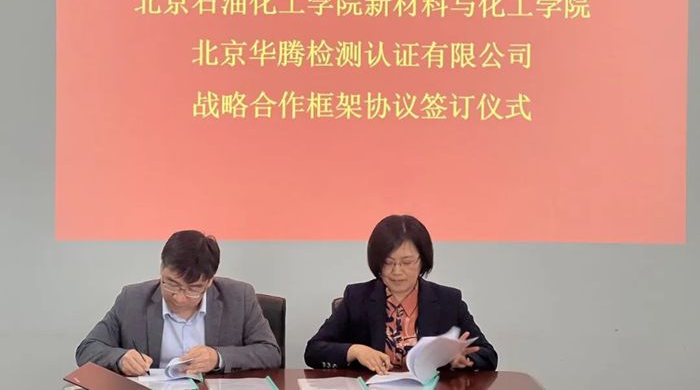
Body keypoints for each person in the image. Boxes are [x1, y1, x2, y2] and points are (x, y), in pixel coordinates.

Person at [305, 215, 497, 373]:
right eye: (388, 262)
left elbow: (488, 354)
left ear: (423, 261)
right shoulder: (357, 297)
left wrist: (464, 360)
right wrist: (354, 350)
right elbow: (313, 350)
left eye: (407, 262)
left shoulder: (448, 300)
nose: (397, 271)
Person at [76, 230, 281, 375]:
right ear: (161, 269)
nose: (179, 297)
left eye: (193, 289)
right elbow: (87, 349)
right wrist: (120, 358)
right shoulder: (132, 299)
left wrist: (218, 357)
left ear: (209, 281)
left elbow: (270, 352)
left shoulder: (239, 297)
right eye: (172, 284)